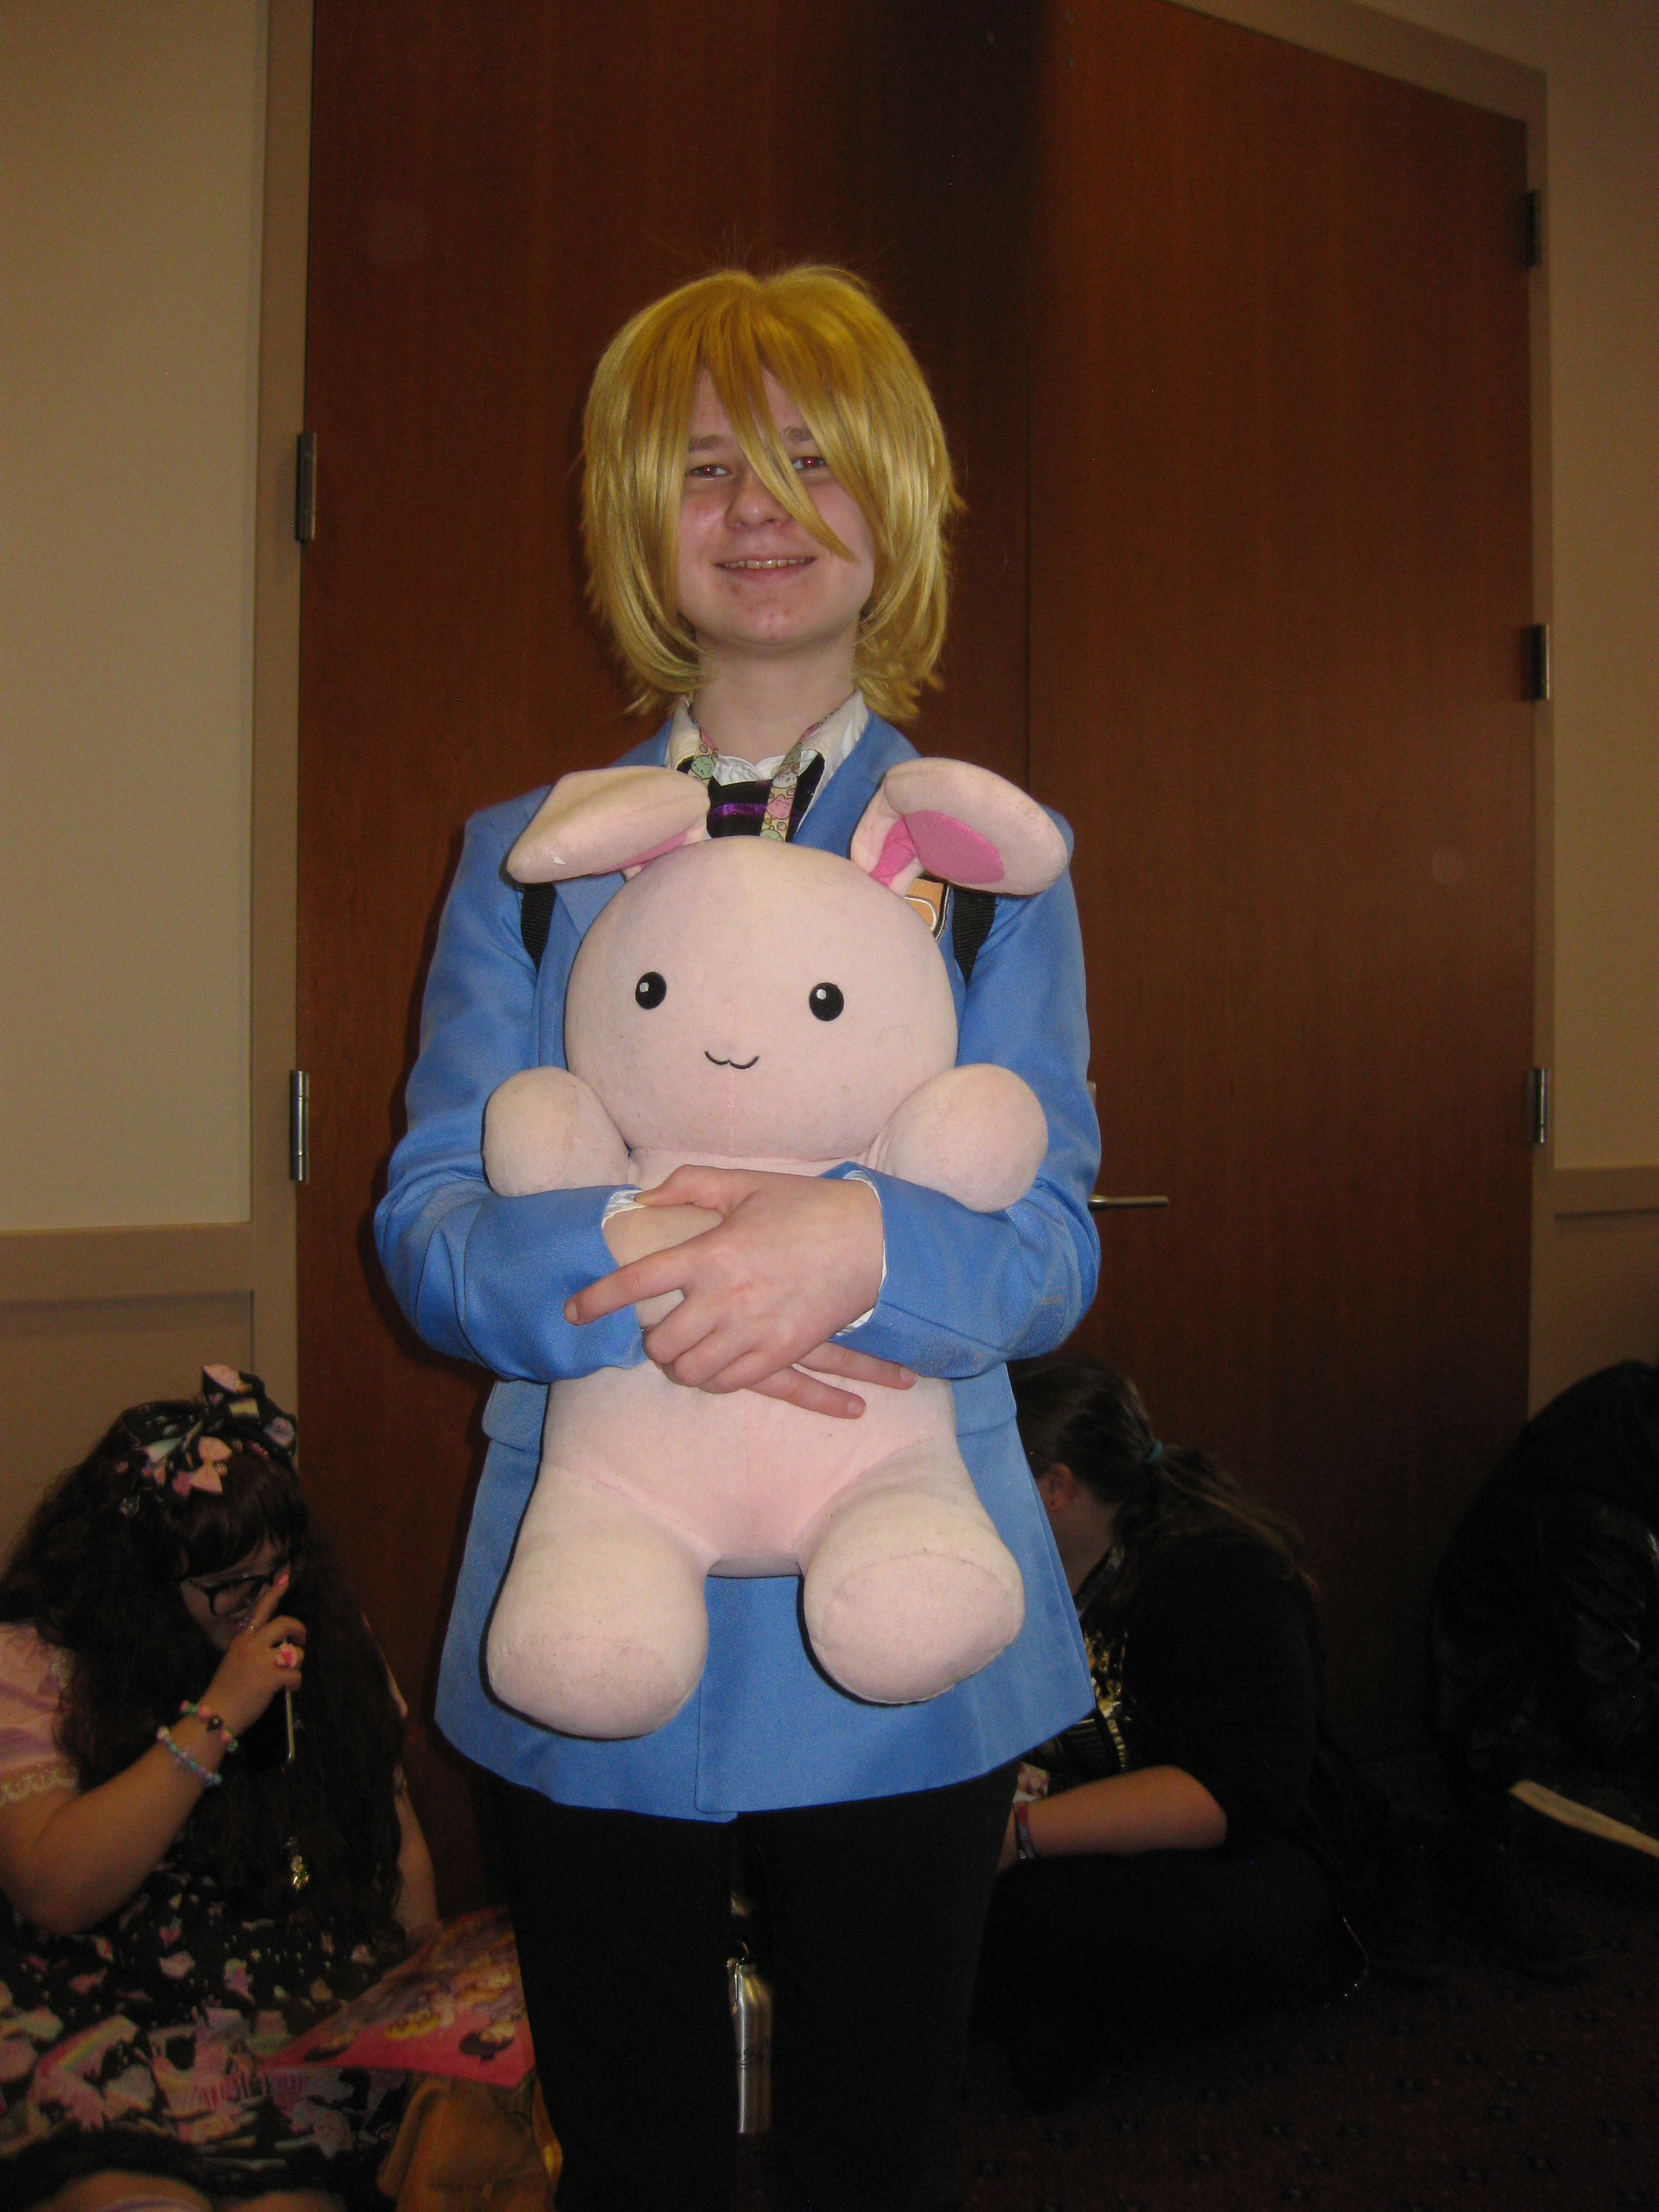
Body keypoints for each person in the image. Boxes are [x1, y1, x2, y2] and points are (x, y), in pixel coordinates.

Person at [374, 264, 1099, 2211]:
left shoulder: (984, 852)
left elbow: (1046, 1240)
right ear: (636, 513)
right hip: (596, 1567)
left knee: (878, 2151)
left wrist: (856, 1245)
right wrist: (650, 1255)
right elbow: (431, 1229)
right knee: (636, 2156)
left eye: (808, 457)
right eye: (704, 466)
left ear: (897, 499)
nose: (760, 506)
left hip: (904, 1574)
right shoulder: (531, 856)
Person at [0, 1366, 437, 2212]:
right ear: (139, 1581)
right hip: (94, 1999)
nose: (261, 1601)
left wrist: (429, 1980)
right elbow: (55, 1890)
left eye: (280, 1569)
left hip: (291, 2000)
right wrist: (219, 1716)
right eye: (229, 1583)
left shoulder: (327, 1634)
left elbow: (391, 1837)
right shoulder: (37, 1658)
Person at [979, 1350, 1350, 2100]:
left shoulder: (1221, 1578)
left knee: (1049, 1920)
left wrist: (1021, 1835)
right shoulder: (1014, 1562)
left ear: (1056, 1488)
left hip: (1230, 1846)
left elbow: (1238, 1795)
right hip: (1077, 1816)